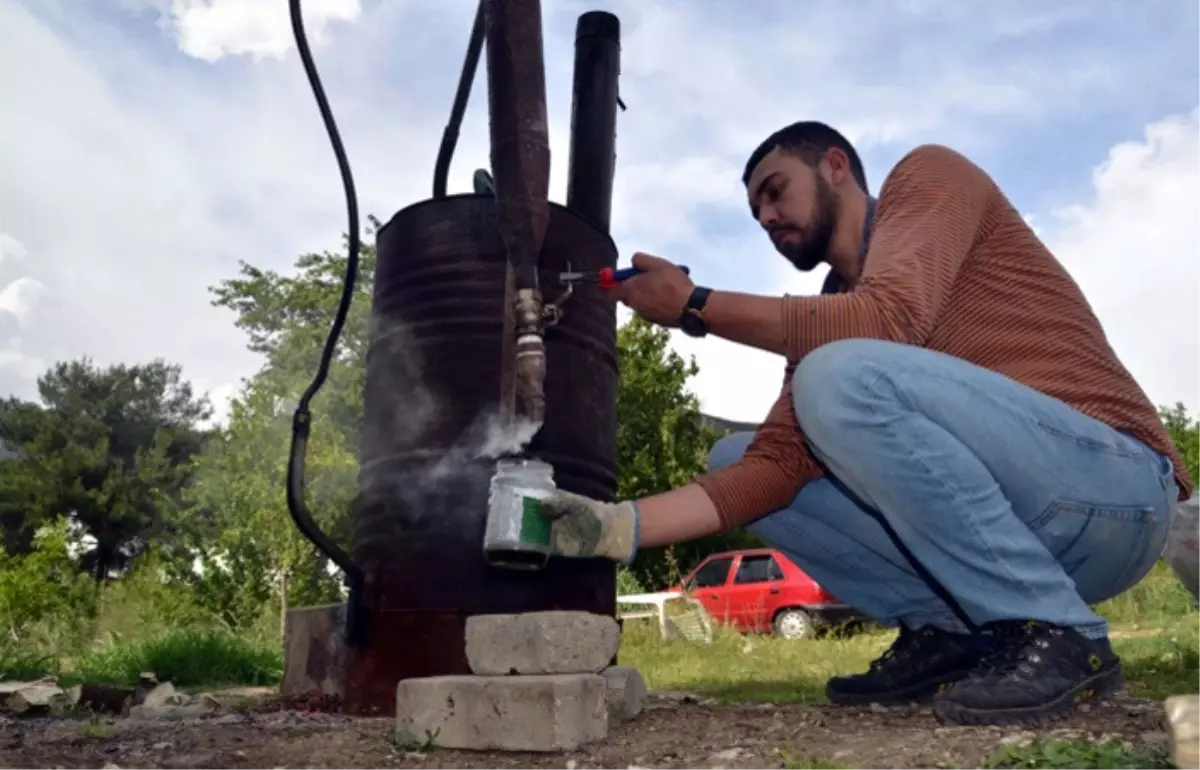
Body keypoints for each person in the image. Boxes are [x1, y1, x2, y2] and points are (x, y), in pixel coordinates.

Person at [535, 120, 1192, 727]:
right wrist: (613, 527)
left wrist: (696, 307)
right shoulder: (832, 317)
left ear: (836, 166)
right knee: (737, 456)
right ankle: (951, 630)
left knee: (838, 375)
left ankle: (1059, 633)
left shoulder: (931, 178)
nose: (767, 216)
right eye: (756, 210)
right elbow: (777, 467)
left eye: (775, 191)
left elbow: (886, 320)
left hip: (1116, 492)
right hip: (1026, 535)